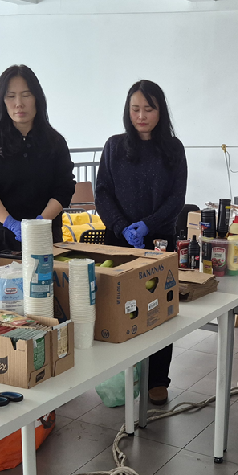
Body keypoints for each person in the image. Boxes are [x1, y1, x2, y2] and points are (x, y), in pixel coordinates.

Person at [95, 80, 187, 405]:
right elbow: (102, 193)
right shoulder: (114, 146)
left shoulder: (173, 149)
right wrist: (122, 227)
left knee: (158, 308)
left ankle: (157, 378)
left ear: (160, 111)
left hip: (159, 240)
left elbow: (176, 198)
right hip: (118, 241)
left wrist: (148, 224)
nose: (142, 116)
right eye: (135, 109)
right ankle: (121, 374)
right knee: (120, 308)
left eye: (149, 109)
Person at [0, 65, 76, 272]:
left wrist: (40, 223)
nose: (19, 103)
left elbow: (64, 187)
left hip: (45, 236)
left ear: (37, 98)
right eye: (11, 96)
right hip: (0, 236)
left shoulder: (55, 142)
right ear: (2, 101)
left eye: (26, 95)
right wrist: (10, 222)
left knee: (46, 292)